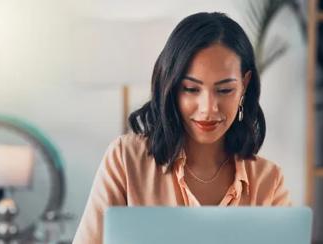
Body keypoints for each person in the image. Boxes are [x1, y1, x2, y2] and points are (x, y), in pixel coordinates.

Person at [73, 12, 291, 244]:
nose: (208, 109)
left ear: (244, 86)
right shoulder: (125, 159)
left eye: (225, 90)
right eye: (191, 89)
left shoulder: (268, 180)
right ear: (172, 86)